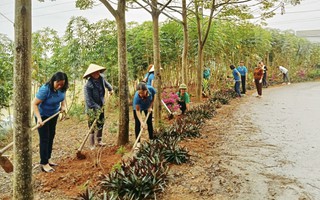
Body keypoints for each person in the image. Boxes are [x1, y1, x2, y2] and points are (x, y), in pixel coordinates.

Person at [32, 72, 69, 173]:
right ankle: (44, 163)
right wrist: (39, 119)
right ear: (53, 81)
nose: (60, 86)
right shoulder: (45, 89)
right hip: (42, 115)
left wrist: (63, 106)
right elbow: (34, 104)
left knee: (51, 135)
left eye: (62, 83)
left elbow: (62, 97)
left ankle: (48, 158)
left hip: (54, 114)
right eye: (58, 83)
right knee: (44, 138)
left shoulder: (62, 88)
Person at [83, 63, 113, 149]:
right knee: (92, 125)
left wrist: (110, 89)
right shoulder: (88, 86)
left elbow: (107, 84)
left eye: (98, 72)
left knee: (101, 122)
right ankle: (92, 144)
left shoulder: (101, 79)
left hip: (101, 105)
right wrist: (97, 107)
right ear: (91, 74)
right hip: (91, 108)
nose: (96, 74)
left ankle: (99, 140)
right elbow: (89, 101)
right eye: (94, 73)